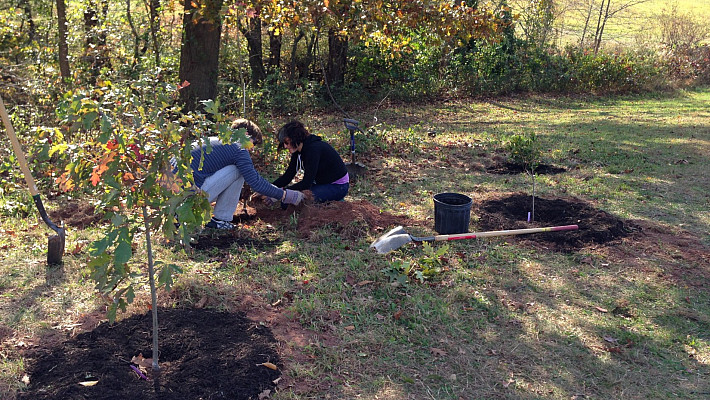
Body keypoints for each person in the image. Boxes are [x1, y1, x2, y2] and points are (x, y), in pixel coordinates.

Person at [189, 119, 304, 229]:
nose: (252, 148)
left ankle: (183, 215)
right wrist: (284, 195)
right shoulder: (238, 148)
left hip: (176, 198)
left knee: (234, 168)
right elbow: (255, 182)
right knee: (238, 170)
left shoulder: (218, 141)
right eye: (254, 143)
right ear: (247, 134)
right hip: (190, 199)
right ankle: (221, 218)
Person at [271, 120, 349, 203]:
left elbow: (306, 183)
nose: (285, 146)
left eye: (287, 142)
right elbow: (288, 176)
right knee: (288, 201)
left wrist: (282, 193)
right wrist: (269, 189)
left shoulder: (313, 149)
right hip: (321, 183)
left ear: (295, 138)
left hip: (338, 186)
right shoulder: (297, 150)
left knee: (300, 200)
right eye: (283, 143)